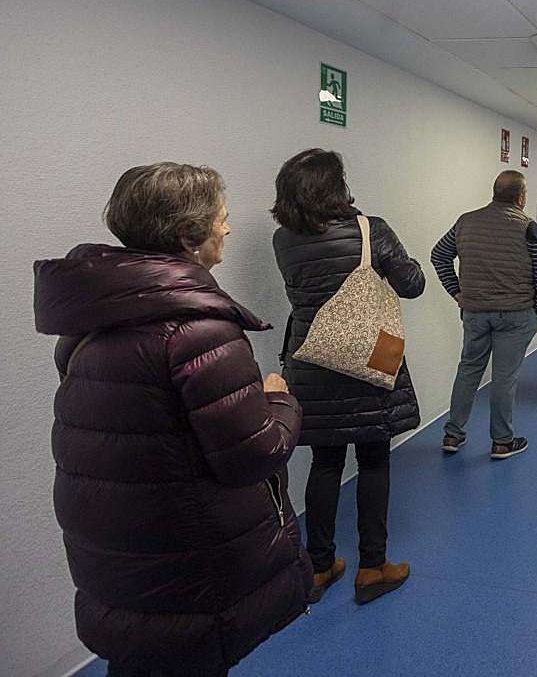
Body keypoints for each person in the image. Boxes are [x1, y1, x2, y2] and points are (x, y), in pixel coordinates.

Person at [33, 163, 311, 676]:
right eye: (221, 219)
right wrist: (279, 400)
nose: (227, 229)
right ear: (188, 235)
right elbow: (253, 453)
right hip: (186, 554)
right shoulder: (197, 331)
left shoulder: (92, 320)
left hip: (118, 546)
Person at [272, 149, 425, 605]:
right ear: (337, 188)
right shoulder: (369, 229)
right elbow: (412, 284)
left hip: (313, 361)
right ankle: (373, 567)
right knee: (374, 461)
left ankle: (319, 567)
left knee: (325, 463)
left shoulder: (284, 239)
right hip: (368, 360)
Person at [433, 170, 537, 460]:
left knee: (468, 371)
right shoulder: (529, 227)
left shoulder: (466, 221)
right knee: (504, 378)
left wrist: (458, 293)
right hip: (516, 314)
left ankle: (453, 434)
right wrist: (535, 311)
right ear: (521, 197)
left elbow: (439, 255)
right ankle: (501, 442)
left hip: (474, 312)